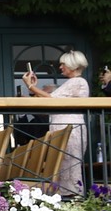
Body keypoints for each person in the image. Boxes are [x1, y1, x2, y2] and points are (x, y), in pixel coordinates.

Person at [24, 50, 89, 194]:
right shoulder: (71, 82)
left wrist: (30, 86)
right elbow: (49, 104)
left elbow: (52, 100)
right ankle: (65, 197)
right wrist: (33, 88)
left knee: (70, 167)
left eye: (63, 64)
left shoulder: (78, 81)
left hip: (70, 130)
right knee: (61, 166)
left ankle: (73, 198)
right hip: (62, 129)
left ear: (72, 65)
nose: (60, 68)